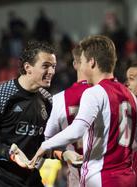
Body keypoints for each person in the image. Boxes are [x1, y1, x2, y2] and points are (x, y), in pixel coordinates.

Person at [29, 35, 137, 187]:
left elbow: (77, 130)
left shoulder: (94, 92)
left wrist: (45, 145)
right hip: (127, 177)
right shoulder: (130, 94)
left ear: (91, 62)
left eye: (84, 60)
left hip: (100, 177)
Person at [0, 40, 57, 187]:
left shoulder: (47, 100)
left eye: (53, 66)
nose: (51, 71)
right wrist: (9, 152)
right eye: (46, 66)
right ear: (28, 67)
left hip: (30, 177)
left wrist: (63, 154)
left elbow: (42, 143)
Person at [44, 46, 91, 187]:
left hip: (77, 175)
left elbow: (47, 140)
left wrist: (64, 154)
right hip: (113, 176)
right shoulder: (112, 94)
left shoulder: (60, 99)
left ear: (75, 64)